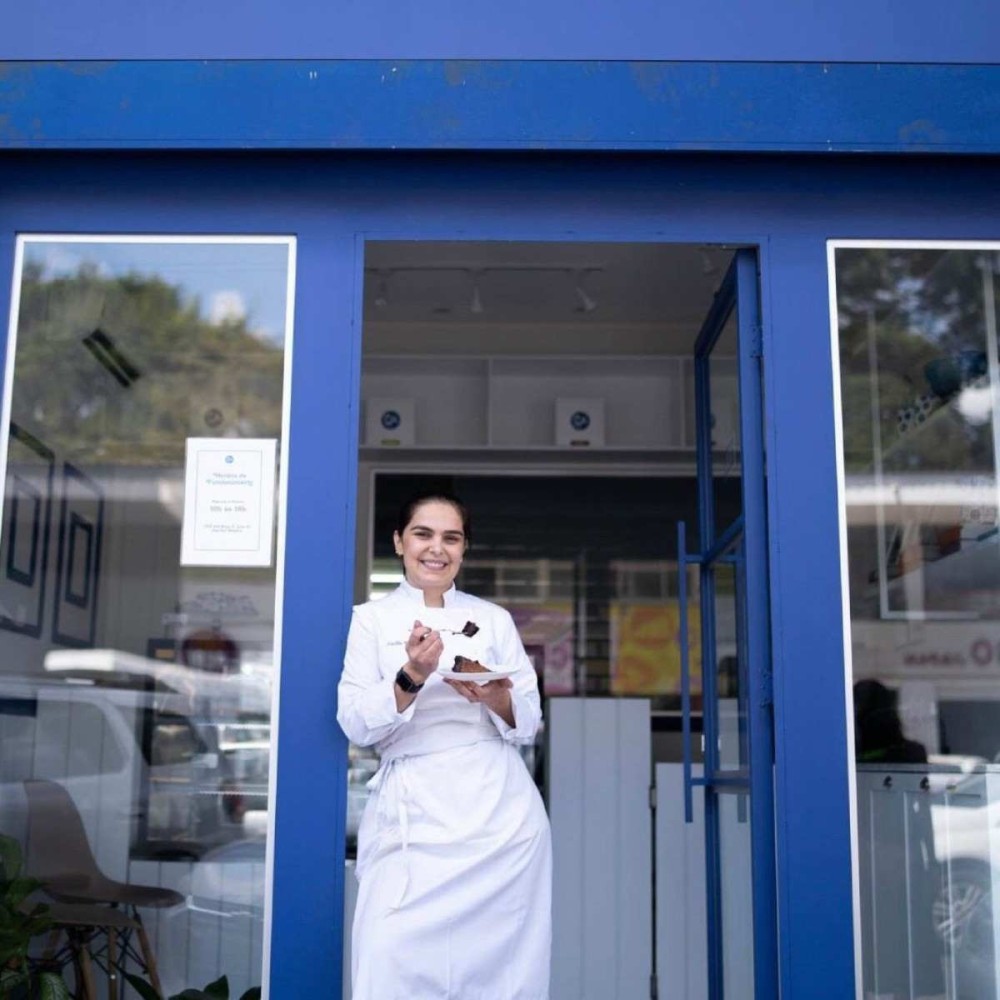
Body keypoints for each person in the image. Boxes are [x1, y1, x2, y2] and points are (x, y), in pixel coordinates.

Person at [337, 491, 552, 1000]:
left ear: (464, 549)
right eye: (423, 534)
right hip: (413, 812)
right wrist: (412, 675)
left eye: (451, 538)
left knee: (502, 967)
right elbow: (355, 723)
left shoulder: (493, 619)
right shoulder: (369, 620)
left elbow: (529, 720)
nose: (437, 549)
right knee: (389, 955)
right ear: (399, 542)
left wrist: (497, 698)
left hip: (498, 816)